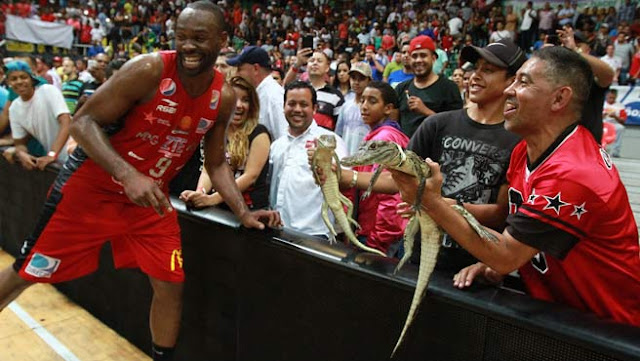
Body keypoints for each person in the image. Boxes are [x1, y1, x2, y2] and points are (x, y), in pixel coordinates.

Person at [0, 4, 281, 361]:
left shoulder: (223, 97)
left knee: (171, 284)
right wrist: (127, 173)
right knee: (27, 270)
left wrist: (244, 212)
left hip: (148, 201)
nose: (188, 46)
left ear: (223, 40)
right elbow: (83, 123)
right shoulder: (149, 69)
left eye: (199, 38)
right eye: (182, 37)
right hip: (92, 191)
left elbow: (216, 164)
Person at [392, 46, 640, 327]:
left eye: (523, 82)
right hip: (559, 314)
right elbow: (518, 243)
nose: (510, 90)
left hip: (611, 327)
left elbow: (506, 254)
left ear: (559, 98)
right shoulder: (526, 150)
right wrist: (497, 262)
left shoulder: (572, 173)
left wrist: (431, 201)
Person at [405, 38, 526, 271]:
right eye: (476, 68)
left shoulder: (519, 141)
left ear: (512, 81)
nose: (475, 76)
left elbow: (501, 213)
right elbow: (402, 177)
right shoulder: (437, 124)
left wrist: (441, 205)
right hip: (420, 253)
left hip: (473, 266)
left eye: (488, 70)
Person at [179, 76, 271, 209]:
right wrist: (200, 194)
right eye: (234, 99)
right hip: (219, 209)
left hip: (248, 211)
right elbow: (208, 170)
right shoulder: (216, 131)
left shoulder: (259, 133)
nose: (239, 105)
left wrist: (212, 199)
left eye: (245, 100)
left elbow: (251, 176)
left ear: (251, 105)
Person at [269, 81, 347, 238]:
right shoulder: (277, 145)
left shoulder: (330, 141)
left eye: (304, 104)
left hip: (315, 235)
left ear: (315, 108)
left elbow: (345, 180)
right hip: (278, 231)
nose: (297, 109)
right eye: (292, 104)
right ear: (283, 106)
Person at [348, 81, 409, 256]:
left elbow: (391, 196)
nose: (364, 106)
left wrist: (377, 241)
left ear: (388, 108)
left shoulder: (385, 138)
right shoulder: (379, 135)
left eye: (372, 101)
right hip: (369, 229)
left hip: (377, 236)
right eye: (362, 100)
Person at [4, 60, 71, 169]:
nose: (19, 82)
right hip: (59, 162)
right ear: (9, 83)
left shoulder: (48, 91)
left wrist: (52, 154)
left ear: (31, 79)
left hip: (74, 152)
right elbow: (20, 142)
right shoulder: (14, 108)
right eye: (14, 79)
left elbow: (66, 122)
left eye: (23, 77)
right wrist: (21, 153)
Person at [395, 35, 463, 138]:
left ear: (433, 58)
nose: (418, 60)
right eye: (414, 56)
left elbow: (455, 128)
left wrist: (425, 111)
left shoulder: (449, 88)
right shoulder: (401, 89)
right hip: (405, 152)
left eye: (423, 55)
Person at [227, 46, 289, 140]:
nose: (237, 74)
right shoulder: (261, 92)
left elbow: (284, 138)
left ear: (255, 68)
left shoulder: (273, 96)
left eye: (240, 69)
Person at [335, 62, 372, 155]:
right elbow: (338, 134)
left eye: (361, 79)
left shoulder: (372, 108)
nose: (356, 82)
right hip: (346, 157)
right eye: (353, 78)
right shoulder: (346, 106)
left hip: (365, 158)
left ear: (369, 81)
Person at [602, 89, 627, 157]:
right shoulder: (602, 104)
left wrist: (615, 116)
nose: (611, 99)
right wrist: (602, 116)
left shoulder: (620, 106)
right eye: (610, 97)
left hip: (614, 123)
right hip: (603, 122)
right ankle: (601, 149)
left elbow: (623, 121)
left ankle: (616, 151)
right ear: (607, 96)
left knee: (621, 128)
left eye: (613, 98)